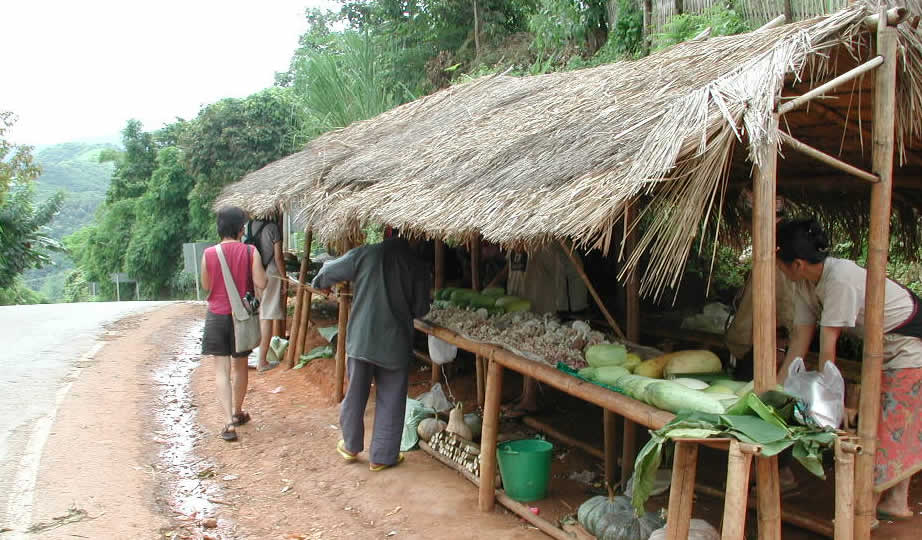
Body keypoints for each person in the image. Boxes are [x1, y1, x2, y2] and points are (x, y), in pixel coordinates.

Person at [777, 218, 922, 520]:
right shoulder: (804, 282)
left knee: (892, 422)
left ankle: (870, 508)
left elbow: (828, 348)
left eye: (780, 260)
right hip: (881, 346)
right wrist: (775, 391)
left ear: (798, 263)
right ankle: (891, 499)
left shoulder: (839, 279)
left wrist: (833, 404)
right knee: (886, 418)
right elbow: (800, 342)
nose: (777, 265)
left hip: (909, 341)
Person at [312, 235, 431, 470]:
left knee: (356, 392)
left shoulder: (366, 253)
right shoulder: (417, 266)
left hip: (362, 339)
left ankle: (350, 446)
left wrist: (319, 283)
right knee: (392, 399)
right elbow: (420, 309)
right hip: (395, 343)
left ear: (387, 229)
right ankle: (383, 457)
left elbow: (329, 270)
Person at [200, 206, 268, 442]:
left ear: (220, 228)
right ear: (241, 229)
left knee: (221, 370)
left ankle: (228, 422)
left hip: (217, 316)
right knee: (240, 366)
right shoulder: (251, 251)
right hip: (241, 318)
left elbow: (207, 286)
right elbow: (262, 282)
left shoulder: (209, 253)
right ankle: (238, 411)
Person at [504, 244, 589, 417]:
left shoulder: (549, 246)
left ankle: (530, 399)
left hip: (541, 302)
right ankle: (526, 395)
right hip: (521, 301)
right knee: (523, 346)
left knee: (531, 347)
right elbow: (512, 267)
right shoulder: (513, 238)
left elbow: (566, 275)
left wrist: (565, 306)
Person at [247, 217, 286, 372]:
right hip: (270, 273)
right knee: (267, 315)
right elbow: (278, 257)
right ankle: (262, 361)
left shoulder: (248, 226)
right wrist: (284, 279)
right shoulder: (273, 228)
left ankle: (252, 354)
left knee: (257, 313)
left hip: (254, 272)